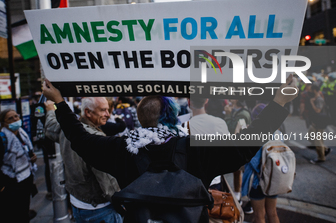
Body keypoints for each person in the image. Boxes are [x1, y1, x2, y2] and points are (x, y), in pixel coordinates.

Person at [42, 75, 297, 222]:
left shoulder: (120, 148)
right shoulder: (196, 148)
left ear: (140, 119)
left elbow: (80, 139)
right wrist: (279, 102)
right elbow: (247, 143)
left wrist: (59, 103)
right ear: (173, 117)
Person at [44, 97, 123, 223]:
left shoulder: (68, 129)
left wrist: (50, 110)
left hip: (78, 204)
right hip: (99, 209)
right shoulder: (96, 139)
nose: (108, 115)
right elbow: (108, 184)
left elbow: (50, 127)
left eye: (108, 110)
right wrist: (122, 204)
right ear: (88, 112)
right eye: (103, 110)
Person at [242, 103, 281, 223]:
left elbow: (251, 162)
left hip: (257, 181)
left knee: (259, 216)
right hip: (274, 178)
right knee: (272, 213)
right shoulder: (278, 133)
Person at [0, 109, 37, 223]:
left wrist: (32, 157)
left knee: (23, 209)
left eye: (16, 116)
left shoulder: (22, 133)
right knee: (13, 214)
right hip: (11, 182)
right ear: (3, 123)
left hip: (25, 178)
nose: (15, 119)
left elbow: (25, 150)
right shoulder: (2, 138)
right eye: (10, 118)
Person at [224, 99, 252, 206]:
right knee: (239, 172)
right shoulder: (241, 112)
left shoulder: (242, 115)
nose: (230, 100)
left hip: (240, 149)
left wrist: (227, 115)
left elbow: (231, 129)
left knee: (239, 172)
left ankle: (241, 199)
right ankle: (240, 197)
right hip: (241, 148)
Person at [308, 85, 331, 164]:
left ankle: (321, 157)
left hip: (319, 122)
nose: (309, 91)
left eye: (310, 89)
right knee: (311, 137)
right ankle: (325, 149)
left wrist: (312, 102)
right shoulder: (317, 98)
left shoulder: (319, 99)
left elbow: (318, 110)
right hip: (315, 122)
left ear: (314, 90)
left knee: (318, 140)